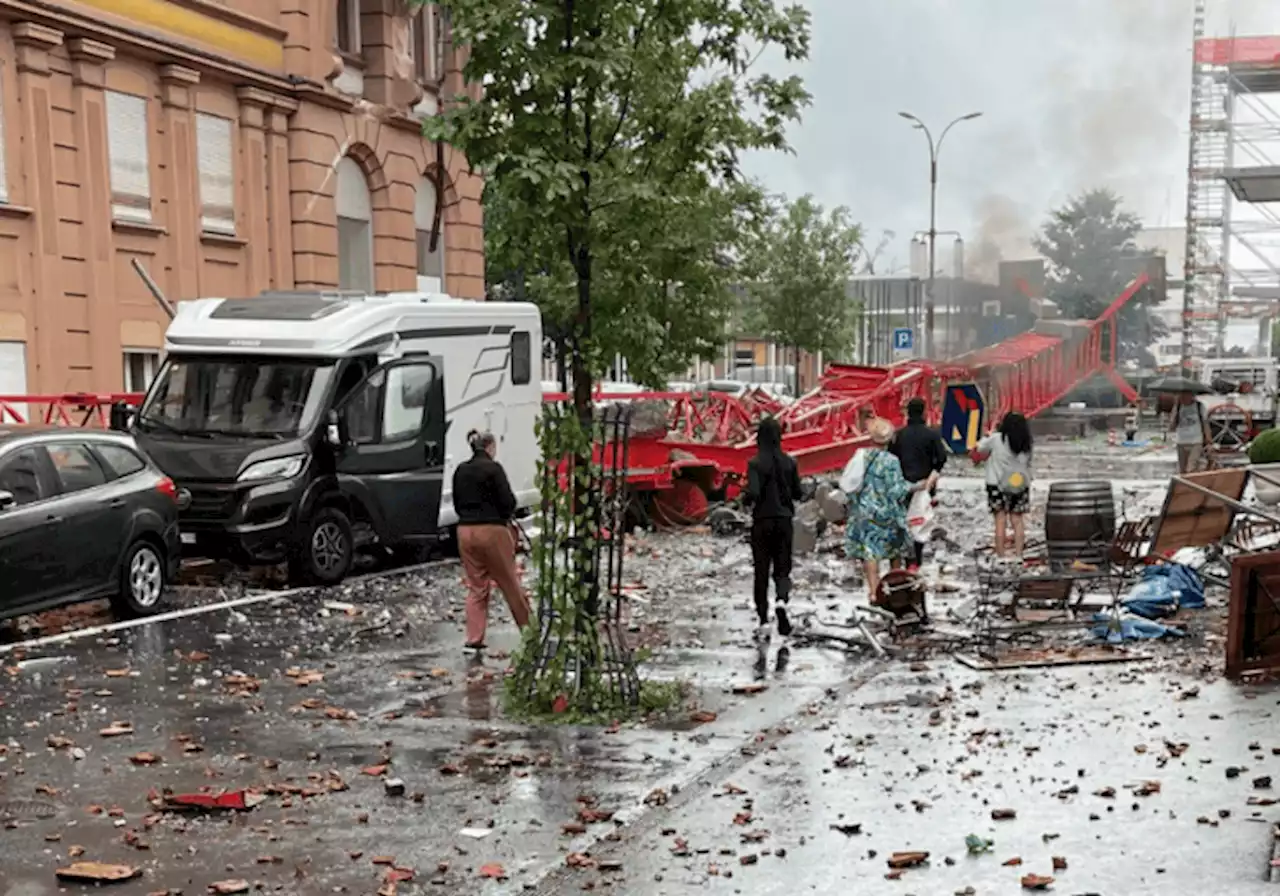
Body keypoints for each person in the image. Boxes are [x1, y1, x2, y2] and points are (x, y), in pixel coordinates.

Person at [841, 418, 937, 605]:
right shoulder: (892, 461)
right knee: (895, 551)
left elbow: (850, 484)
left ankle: (874, 592)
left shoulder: (861, 456)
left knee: (870, 552)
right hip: (888, 513)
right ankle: (893, 590)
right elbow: (896, 490)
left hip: (865, 512)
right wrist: (917, 487)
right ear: (890, 439)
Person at [451, 429, 531, 651]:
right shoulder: (493, 469)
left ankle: (474, 638)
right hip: (492, 531)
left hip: (465, 532)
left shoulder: (460, 470)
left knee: (477, 586)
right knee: (509, 583)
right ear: (490, 447)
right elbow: (508, 503)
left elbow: (457, 504)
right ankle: (529, 632)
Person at [744, 417, 803, 642]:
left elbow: (754, 493)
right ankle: (781, 601)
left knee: (761, 571)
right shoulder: (790, 463)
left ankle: (763, 620)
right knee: (782, 568)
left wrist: (745, 498)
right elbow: (798, 493)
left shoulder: (755, 463)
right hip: (784, 521)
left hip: (762, 522)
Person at [888, 397, 948, 568]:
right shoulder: (932, 434)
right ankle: (916, 560)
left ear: (908, 413)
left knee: (903, 522)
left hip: (903, 485)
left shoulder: (899, 435)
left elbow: (891, 459)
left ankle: (903, 559)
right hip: (924, 485)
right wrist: (932, 477)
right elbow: (942, 458)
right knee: (920, 522)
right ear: (923, 412)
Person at [974, 412, 1034, 559]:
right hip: (1019, 485)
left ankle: (1001, 557)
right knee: (1018, 521)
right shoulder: (1027, 444)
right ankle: (1019, 556)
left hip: (996, 485)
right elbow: (1028, 463)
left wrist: (988, 435)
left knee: (1000, 521)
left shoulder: (996, 439)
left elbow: (979, 448)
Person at [1169, 392, 1210, 474]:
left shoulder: (1199, 406)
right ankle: (1184, 485)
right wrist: (1175, 412)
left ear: (1192, 395)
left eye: (1185, 395)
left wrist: (1209, 441)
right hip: (1181, 441)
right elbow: (1171, 427)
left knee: (1191, 468)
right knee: (1182, 470)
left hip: (1196, 441)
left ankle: (1192, 484)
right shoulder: (1178, 407)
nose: (1183, 397)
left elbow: (1205, 424)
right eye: (1181, 395)